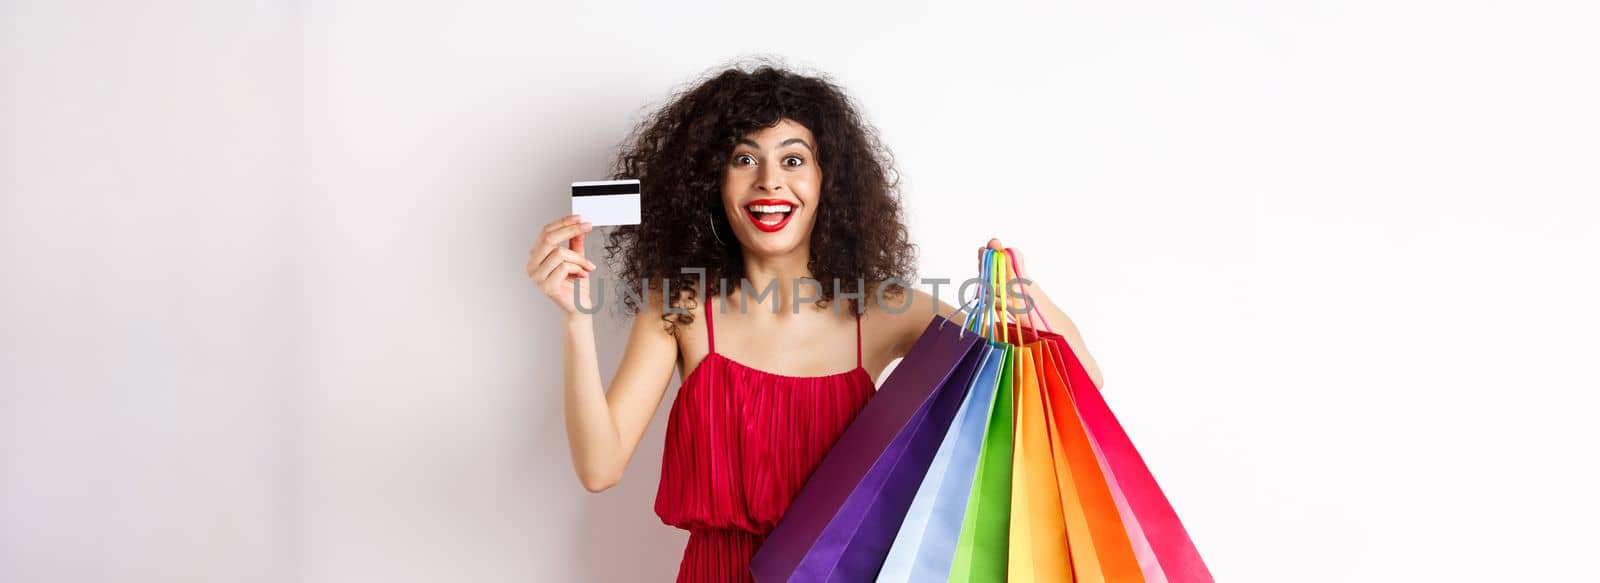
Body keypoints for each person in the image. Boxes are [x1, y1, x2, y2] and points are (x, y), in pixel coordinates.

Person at [527, 62, 1104, 582]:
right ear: (711, 183)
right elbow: (600, 469)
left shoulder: (882, 311)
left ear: (831, 183)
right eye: (744, 158)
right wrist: (576, 321)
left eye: (794, 159)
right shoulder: (680, 308)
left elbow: (1075, 387)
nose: (769, 181)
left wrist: (1028, 300)